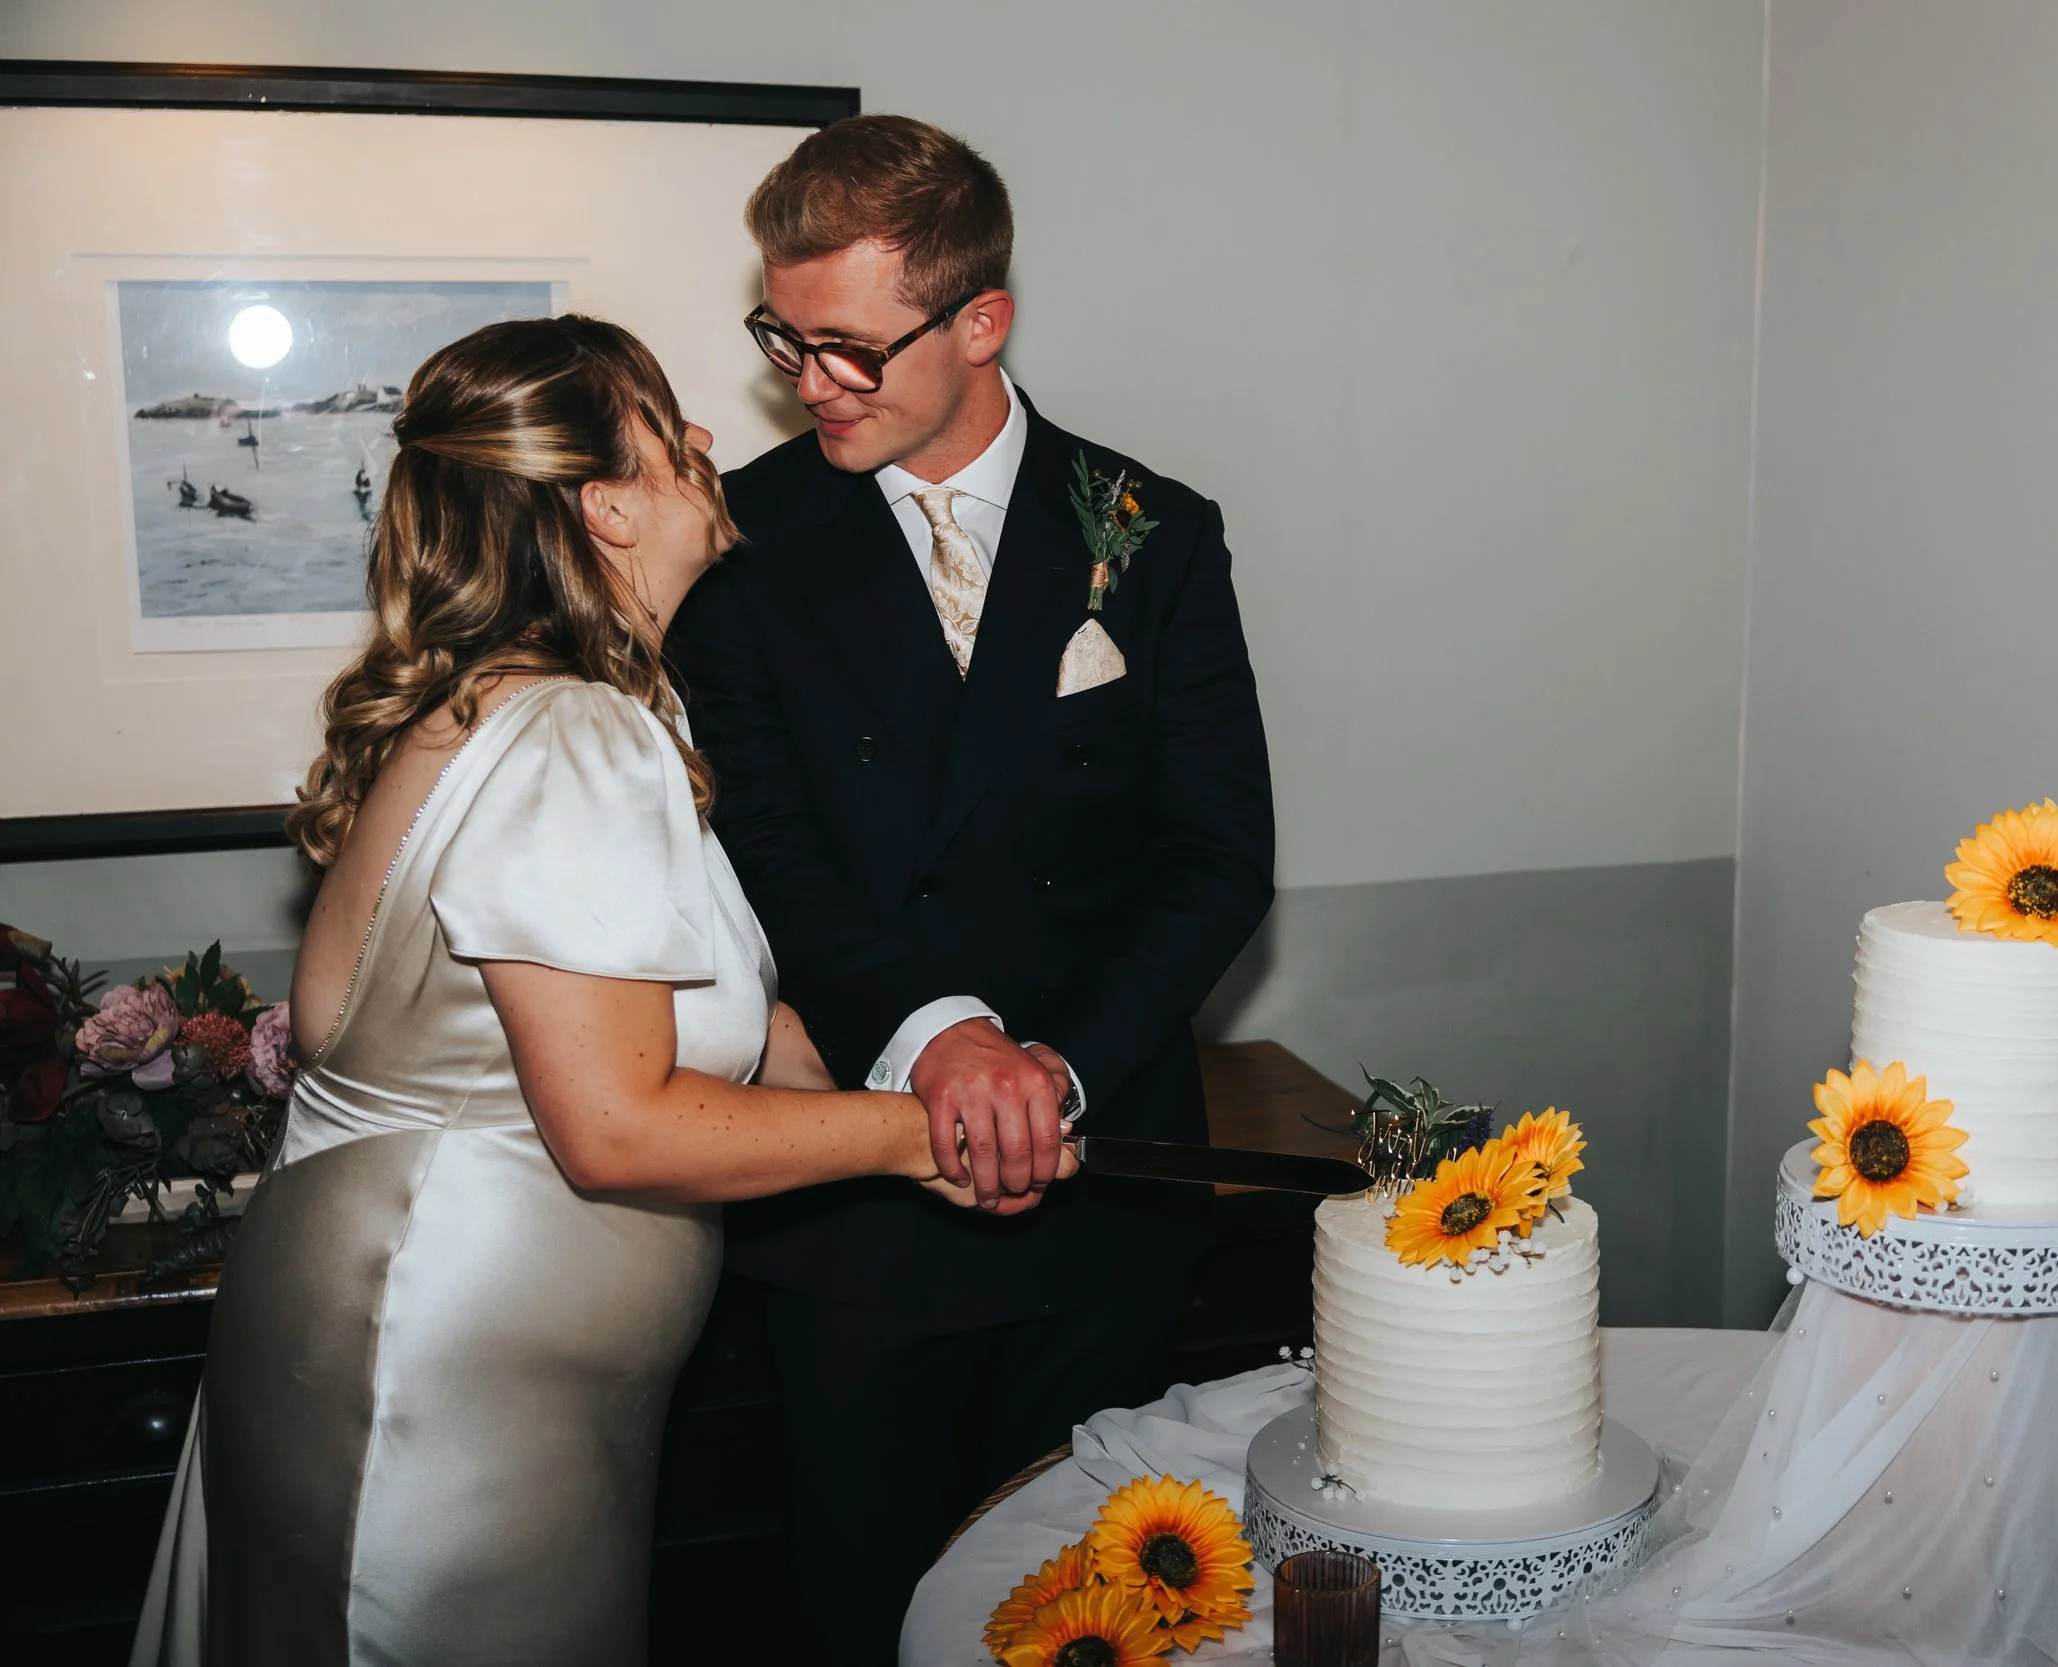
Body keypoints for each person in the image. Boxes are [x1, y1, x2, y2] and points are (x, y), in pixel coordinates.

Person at [128, 315, 1067, 1666]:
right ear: (607, 502)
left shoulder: (503, 708)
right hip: (446, 1367)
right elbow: (615, 1123)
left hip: (390, 1328)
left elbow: (733, 1032)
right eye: (667, 424)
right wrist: (917, 1136)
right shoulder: (575, 732)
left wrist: (943, 1092)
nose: (702, 441)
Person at [668, 114, 1275, 1655]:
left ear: (980, 321)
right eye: (785, 341)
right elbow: (764, 846)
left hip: (1104, 1179)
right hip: (857, 1197)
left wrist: (1055, 1064)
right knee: (861, 1608)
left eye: (850, 350)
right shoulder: (737, 547)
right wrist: (938, 1035)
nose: (809, 385)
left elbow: (1222, 854)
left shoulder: (1153, 532)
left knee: (1109, 1611)